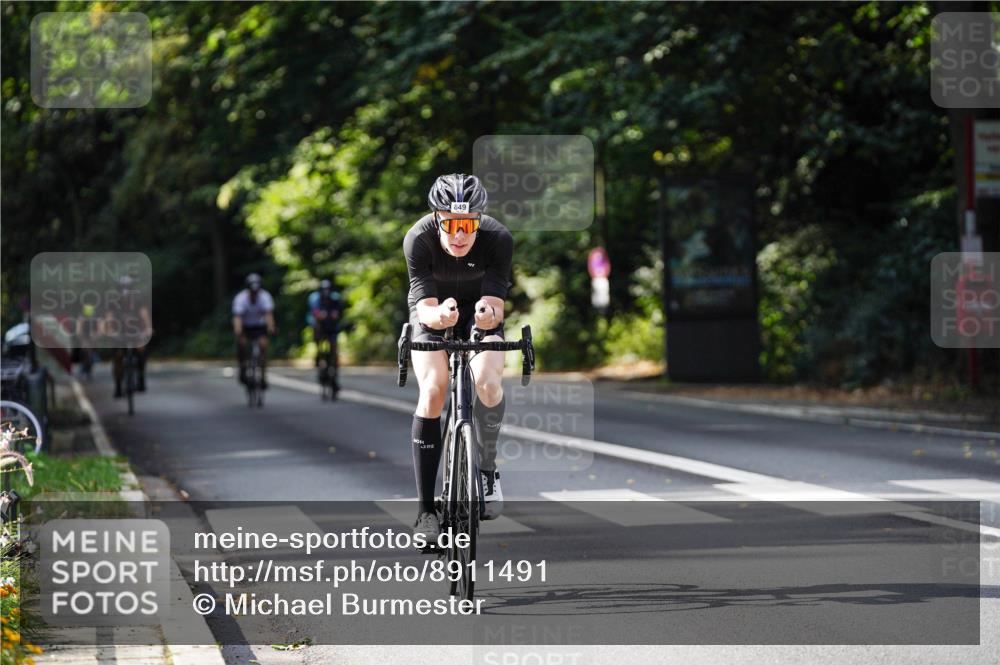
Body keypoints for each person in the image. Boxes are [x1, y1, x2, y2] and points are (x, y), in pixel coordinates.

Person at [404, 173, 514, 540]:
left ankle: (487, 469)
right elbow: (425, 309)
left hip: (479, 311)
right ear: (437, 219)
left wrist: (486, 317)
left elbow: (495, 306)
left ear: (480, 220)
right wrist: (441, 316)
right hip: (433, 311)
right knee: (434, 389)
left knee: (488, 383)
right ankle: (425, 513)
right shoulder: (418, 239)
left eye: (468, 224)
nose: (460, 235)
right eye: (451, 224)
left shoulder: (498, 239)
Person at [100, 275, 152, 398]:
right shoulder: (113, 302)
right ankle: (118, 386)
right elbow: (109, 318)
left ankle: (141, 379)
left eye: (128, 287)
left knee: (141, 350)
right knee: (117, 357)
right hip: (119, 333)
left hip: (135, 332)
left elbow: (144, 315)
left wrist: (148, 328)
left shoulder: (138, 300)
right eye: (123, 288)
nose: (125, 291)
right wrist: (109, 330)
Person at [232, 273, 275, 389]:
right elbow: (237, 317)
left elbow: (268, 314)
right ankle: (243, 367)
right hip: (245, 326)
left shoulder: (265, 297)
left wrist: (271, 327)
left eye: (256, 292)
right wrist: (238, 331)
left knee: (263, 346)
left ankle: (263, 376)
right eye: (252, 292)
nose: (254, 294)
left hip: (260, 326)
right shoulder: (240, 298)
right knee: (241, 344)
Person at [306, 278, 346, 391]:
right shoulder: (314, 299)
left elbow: (339, 313)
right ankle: (318, 353)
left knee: (334, 351)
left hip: (332, 327)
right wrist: (320, 316)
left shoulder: (336, 299)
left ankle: (335, 376)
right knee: (316, 328)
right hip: (320, 326)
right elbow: (314, 313)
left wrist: (334, 315)